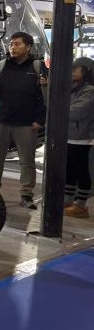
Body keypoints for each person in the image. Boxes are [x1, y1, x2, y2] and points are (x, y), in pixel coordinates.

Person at [0, 32, 47, 209]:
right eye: (11, 44)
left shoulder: (37, 67)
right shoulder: (1, 65)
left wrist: (39, 120)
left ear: (28, 47)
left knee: (27, 161)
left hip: (26, 123)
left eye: (17, 44)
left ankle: (26, 194)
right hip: (0, 119)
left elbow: (44, 96)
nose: (12, 47)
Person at [64, 58, 94, 218]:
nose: (73, 71)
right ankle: (68, 200)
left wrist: (60, 108)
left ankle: (81, 205)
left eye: (77, 69)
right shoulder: (73, 87)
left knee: (81, 169)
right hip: (69, 135)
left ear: (86, 71)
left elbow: (77, 112)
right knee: (69, 168)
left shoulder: (89, 90)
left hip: (82, 136)